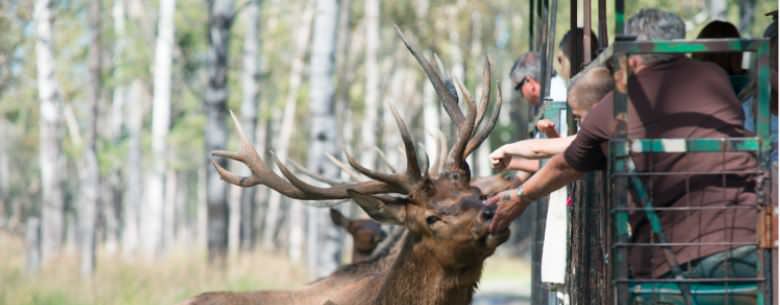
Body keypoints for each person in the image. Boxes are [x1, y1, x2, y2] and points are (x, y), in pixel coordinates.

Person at [488, 8, 760, 280]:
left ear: (633, 56)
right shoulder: (714, 77)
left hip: (673, 261)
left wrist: (522, 196)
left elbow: (565, 166)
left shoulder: (617, 105)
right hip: (751, 238)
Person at [489, 67, 614, 169]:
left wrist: (508, 152)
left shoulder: (553, 94)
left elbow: (547, 149)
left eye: (578, 117)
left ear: (529, 81)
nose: (521, 95)